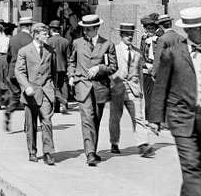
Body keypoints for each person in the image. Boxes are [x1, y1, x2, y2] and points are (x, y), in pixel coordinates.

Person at [149, 6, 201, 196]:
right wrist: (155, 119)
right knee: (192, 163)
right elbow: (160, 87)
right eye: (199, 29)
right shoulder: (172, 53)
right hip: (182, 116)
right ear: (189, 31)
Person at [68, 13, 116, 166]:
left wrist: (99, 68)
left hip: (100, 87)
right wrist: (71, 76)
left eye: (88, 29)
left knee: (96, 119)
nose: (85, 32)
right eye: (84, 29)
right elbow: (72, 62)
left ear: (96, 28)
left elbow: (113, 67)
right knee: (87, 118)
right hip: (82, 85)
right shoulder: (77, 43)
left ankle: (93, 151)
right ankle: (89, 153)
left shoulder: (107, 44)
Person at [109, 21, 154, 157]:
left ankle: (143, 144)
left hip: (134, 90)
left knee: (139, 118)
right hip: (117, 88)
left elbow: (140, 72)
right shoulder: (114, 50)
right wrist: (112, 82)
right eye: (127, 35)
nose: (129, 37)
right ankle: (114, 142)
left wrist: (140, 91)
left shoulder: (138, 53)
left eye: (131, 35)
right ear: (121, 35)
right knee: (115, 118)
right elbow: (110, 69)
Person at [15, 22, 56, 165]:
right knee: (31, 124)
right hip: (30, 93)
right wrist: (26, 86)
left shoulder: (50, 50)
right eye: (45, 34)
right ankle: (32, 151)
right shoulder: (24, 51)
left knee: (47, 122)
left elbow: (54, 71)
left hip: (46, 91)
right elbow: (19, 71)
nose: (47, 36)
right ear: (36, 34)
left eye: (47, 33)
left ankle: (48, 152)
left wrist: (52, 88)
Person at [4, 14, 33, 131]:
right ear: (30, 27)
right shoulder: (31, 40)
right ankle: (27, 125)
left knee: (15, 95)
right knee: (29, 99)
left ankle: (9, 110)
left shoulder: (13, 39)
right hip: (25, 72)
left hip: (13, 71)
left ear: (20, 27)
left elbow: (8, 56)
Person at [44, 20, 71, 114]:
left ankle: (56, 106)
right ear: (60, 29)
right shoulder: (66, 41)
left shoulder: (47, 41)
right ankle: (64, 103)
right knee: (63, 84)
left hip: (52, 67)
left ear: (51, 30)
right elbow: (68, 56)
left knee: (54, 86)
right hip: (63, 67)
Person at [139, 13, 159, 108]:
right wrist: (146, 65)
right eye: (148, 29)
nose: (150, 31)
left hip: (157, 70)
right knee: (148, 96)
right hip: (146, 70)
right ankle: (148, 119)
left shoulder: (159, 39)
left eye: (152, 29)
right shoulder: (144, 38)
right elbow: (141, 53)